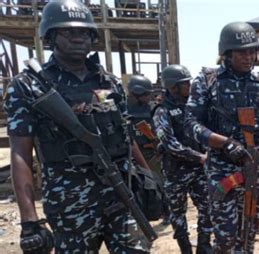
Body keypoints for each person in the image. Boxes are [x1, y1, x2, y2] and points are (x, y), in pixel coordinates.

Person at [4, 0, 153, 252]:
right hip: (70, 205)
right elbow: (20, 151)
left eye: (84, 32)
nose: (77, 38)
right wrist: (29, 220)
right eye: (67, 32)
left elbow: (126, 137)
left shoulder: (110, 82)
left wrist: (150, 180)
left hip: (121, 195)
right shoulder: (29, 86)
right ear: (50, 36)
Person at [184, 21, 259, 253]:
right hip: (222, 171)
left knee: (249, 232)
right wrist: (224, 143)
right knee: (226, 237)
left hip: (253, 170)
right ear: (227, 54)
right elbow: (191, 124)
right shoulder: (207, 81)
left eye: (252, 51)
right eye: (242, 52)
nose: (248, 57)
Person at [153, 64, 213, 254]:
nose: (190, 86)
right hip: (176, 173)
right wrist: (199, 157)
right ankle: (185, 249)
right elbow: (170, 143)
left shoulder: (194, 107)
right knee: (178, 215)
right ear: (173, 87)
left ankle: (204, 246)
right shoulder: (162, 111)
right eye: (185, 84)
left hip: (198, 171)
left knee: (207, 208)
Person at [127, 74, 171, 225]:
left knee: (159, 182)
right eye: (146, 94)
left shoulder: (153, 108)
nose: (148, 97)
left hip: (151, 152)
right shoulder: (123, 109)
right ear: (136, 93)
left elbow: (162, 129)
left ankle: (166, 212)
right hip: (130, 153)